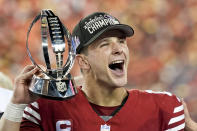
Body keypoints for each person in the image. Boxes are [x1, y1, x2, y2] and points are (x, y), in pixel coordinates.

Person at [0, 11, 194, 131]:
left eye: (121, 41)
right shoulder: (46, 109)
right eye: (105, 44)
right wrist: (17, 105)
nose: (119, 49)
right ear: (83, 61)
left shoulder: (164, 108)